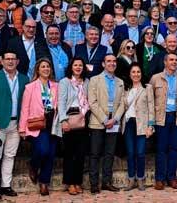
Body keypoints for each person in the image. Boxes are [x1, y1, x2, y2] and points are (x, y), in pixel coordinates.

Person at [0, 52, 28, 200]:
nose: (10, 61)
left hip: (16, 124)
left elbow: (26, 104)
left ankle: (6, 186)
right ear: (1, 61)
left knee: (10, 155)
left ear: (18, 61)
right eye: (7, 59)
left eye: (13, 59)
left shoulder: (24, 78)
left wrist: (24, 125)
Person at [150, 52, 177, 190]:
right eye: (171, 60)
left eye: (176, 60)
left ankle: (172, 178)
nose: (174, 62)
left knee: (174, 148)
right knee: (161, 149)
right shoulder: (156, 78)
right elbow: (151, 99)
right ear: (165, 62)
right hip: (161, 117)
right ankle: (160, 179)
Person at [18, 58, 59, 196]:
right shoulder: (30, 87)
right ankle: (33, 166)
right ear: (38, 70)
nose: (46, 69)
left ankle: (44, 183)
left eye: (48, 66)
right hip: (37, 123)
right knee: (42, 150)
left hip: (52, 123)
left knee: (51, 154)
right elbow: (25, 108)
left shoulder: (55, 86)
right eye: (43, 67)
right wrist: (22, 128)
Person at [88, 53, 125, 194]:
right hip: (98, 122)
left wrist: (115, 119)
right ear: (103, 64)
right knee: (95, 153)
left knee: (109, 153)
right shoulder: (94, 80)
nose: (112, 63)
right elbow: (92, 102)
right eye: (108, 61)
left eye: (114, 61)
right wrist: (105, 120)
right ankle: (93, 183)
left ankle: (106, 182)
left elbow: (123, 103)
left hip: (113, 122)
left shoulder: (120, 82)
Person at [56, 58, 90, 195]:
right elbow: (61, 101)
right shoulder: (65, 82)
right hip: (70, 119)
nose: (78, 67)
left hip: (83, 120)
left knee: (81, 154)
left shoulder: (87, 82)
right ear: (71, 67)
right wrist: (63, 120)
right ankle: (70, 183)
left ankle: (77, 182)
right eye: (75, 65)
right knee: (69, 154)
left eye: (80, 65)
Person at [122, 63, 154, 191]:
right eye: (133, 72)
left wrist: (151, 126)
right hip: (128, 123)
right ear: (130, 75)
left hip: (141, 124)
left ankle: (140, 178)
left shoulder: (147, 88)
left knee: (140, 153)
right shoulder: (126, 89)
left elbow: (151, 108)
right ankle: (131, 179)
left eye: (138, 72)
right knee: (130, 153)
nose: (136, 74)